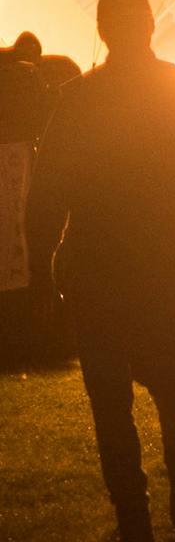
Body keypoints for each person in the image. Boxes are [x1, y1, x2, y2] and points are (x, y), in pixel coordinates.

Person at [26, 0, 175, 541]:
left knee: (110, 401)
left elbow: (46, 193)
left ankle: (133, 514)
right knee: (174, 385)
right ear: (150, 23)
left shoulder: (77, 98)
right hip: (159, 268)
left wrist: (41, 271)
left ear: (102, 31)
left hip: (97, 271)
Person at [0, 33, 49, 362]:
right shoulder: (32, 78)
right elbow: (41, 121)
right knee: (19, 235)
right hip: (20, 162)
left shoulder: (10, 75)